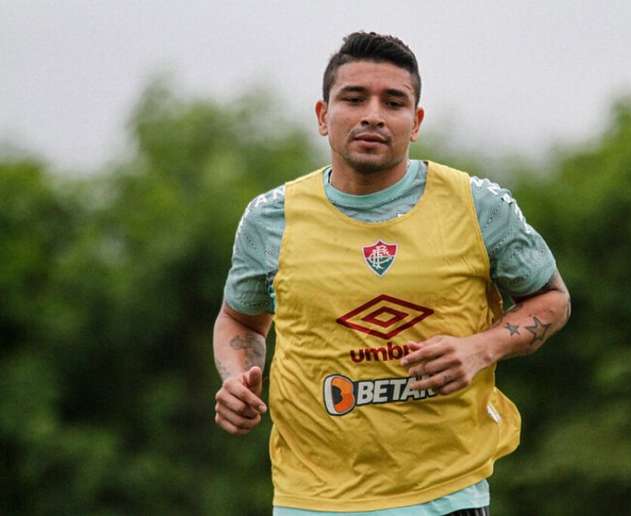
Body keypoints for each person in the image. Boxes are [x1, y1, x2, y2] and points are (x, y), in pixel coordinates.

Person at [212, 31, 570, 516]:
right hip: (311, 499)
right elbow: (241, 320)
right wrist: (237, 378)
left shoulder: (476, 204)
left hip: (446, 494)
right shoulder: (271, 218)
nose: (373, 114)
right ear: (323, 116)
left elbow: (551, 299)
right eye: (354, 98)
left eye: (394, 102)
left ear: (416, 121)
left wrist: (479, 348)